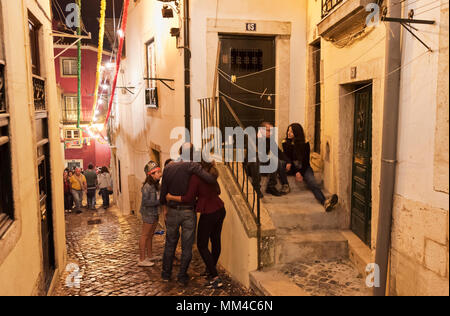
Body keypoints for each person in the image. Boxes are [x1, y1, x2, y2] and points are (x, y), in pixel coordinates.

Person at [159, 143, 219, 286]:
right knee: (187, 246)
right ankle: (182, 276)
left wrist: (165, 209)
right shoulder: (192, 166)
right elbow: (211, 179)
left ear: (179, 151)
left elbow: (163, 192)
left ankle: (166, 274)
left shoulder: (168, 167)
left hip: (172, 211)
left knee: (169, 244)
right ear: (192, 153)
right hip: (188, 211)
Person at [166, 160, 226, 289]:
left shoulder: (196, 177)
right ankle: (211, 271)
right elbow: (218, 191)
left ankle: (215, 277)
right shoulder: (211, 175)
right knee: (215, 241)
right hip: (220, 209)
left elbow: (188, 198)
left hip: (209, 212)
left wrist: (170, 197)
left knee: (202, 245)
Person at [282, 123, 339, 212]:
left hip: (304, 167)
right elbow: (288, 160)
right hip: (292, 168)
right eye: (288, 131)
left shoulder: (305, 143)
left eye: (291, 132)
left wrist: (300, 172)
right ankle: (325, 201)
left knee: (312, 182)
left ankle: (325, 202)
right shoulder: (285, 143)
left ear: (297, 133)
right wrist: (296, 172)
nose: (288, 133)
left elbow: (305, 161)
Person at [246, 122, 290, 197]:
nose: (271, 133)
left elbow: (278, 152)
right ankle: (256, 187)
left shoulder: (269, 140)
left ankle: (271, 186)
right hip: (251, 166)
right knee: (255, 159)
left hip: (262, 165)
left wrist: (288, 162)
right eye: (268, 130)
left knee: (275, 159)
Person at [138, 161, 163, 267]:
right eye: (157, 172)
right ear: (151, 174)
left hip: (155, 213)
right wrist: (160, 202)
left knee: (150, 235)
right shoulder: (147, 187)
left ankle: (150, 256)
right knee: (145, 235)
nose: (160, 174)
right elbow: (146, 202)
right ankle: (142, 259)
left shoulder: (156, 185)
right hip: (148, 214)